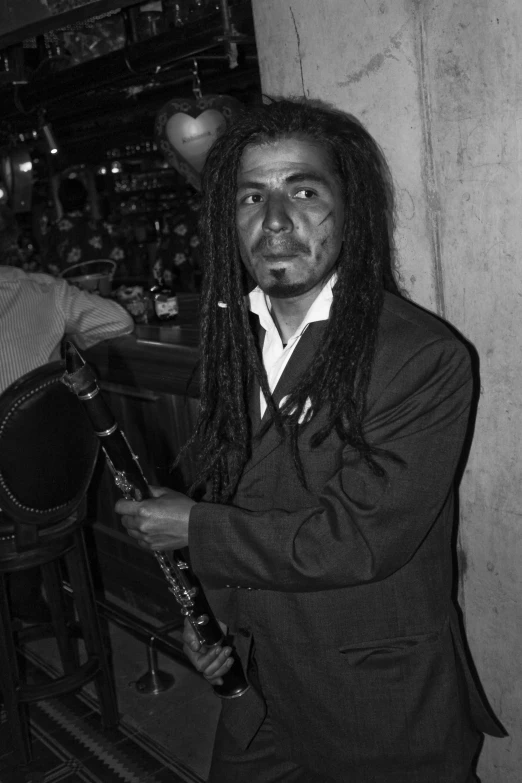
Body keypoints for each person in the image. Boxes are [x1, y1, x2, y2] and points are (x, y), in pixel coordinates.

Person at [115, 98, 505, 783]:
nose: (274, 222)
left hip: (376, 699)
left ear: (349, 208)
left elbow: (357, 538)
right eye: (250, 197)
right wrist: (209, 614)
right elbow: (247, 493)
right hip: (260, 687)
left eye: (303, 191)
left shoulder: (421, 356)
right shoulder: (239, 340)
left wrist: (193, 527)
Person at [0, 264, 134, 619]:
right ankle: (24, 597)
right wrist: (60, 334)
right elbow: (118, 321)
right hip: (46, 490)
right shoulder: (44, 291)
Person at [44, 177, 125, 276]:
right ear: (85, 199)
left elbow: (50, 267)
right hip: (100, 287)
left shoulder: (54, 232)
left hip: (68, 290)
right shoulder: (98, 226)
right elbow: (118, 255)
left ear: (61, 200)